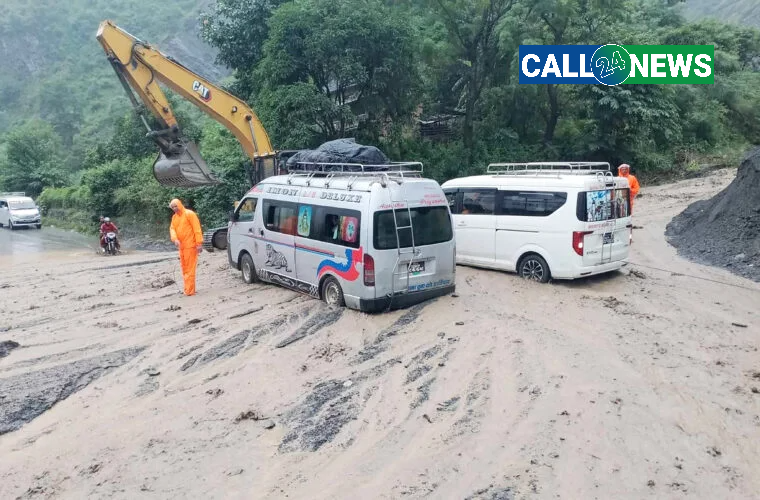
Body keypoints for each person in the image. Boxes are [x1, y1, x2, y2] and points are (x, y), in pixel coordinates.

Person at [169, 198, 203, 296]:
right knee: (184, 268)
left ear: (180, 204)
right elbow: (172, 229)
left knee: (190, 268)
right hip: (182, 247)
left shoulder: (189, 214)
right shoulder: (174, 218)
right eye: (173, 207)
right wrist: (175, 239)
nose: (175, 208)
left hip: (191, 246)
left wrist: (199, 243)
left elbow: (197, 229)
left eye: (176, 206)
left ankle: (190, 290)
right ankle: (187, 288)